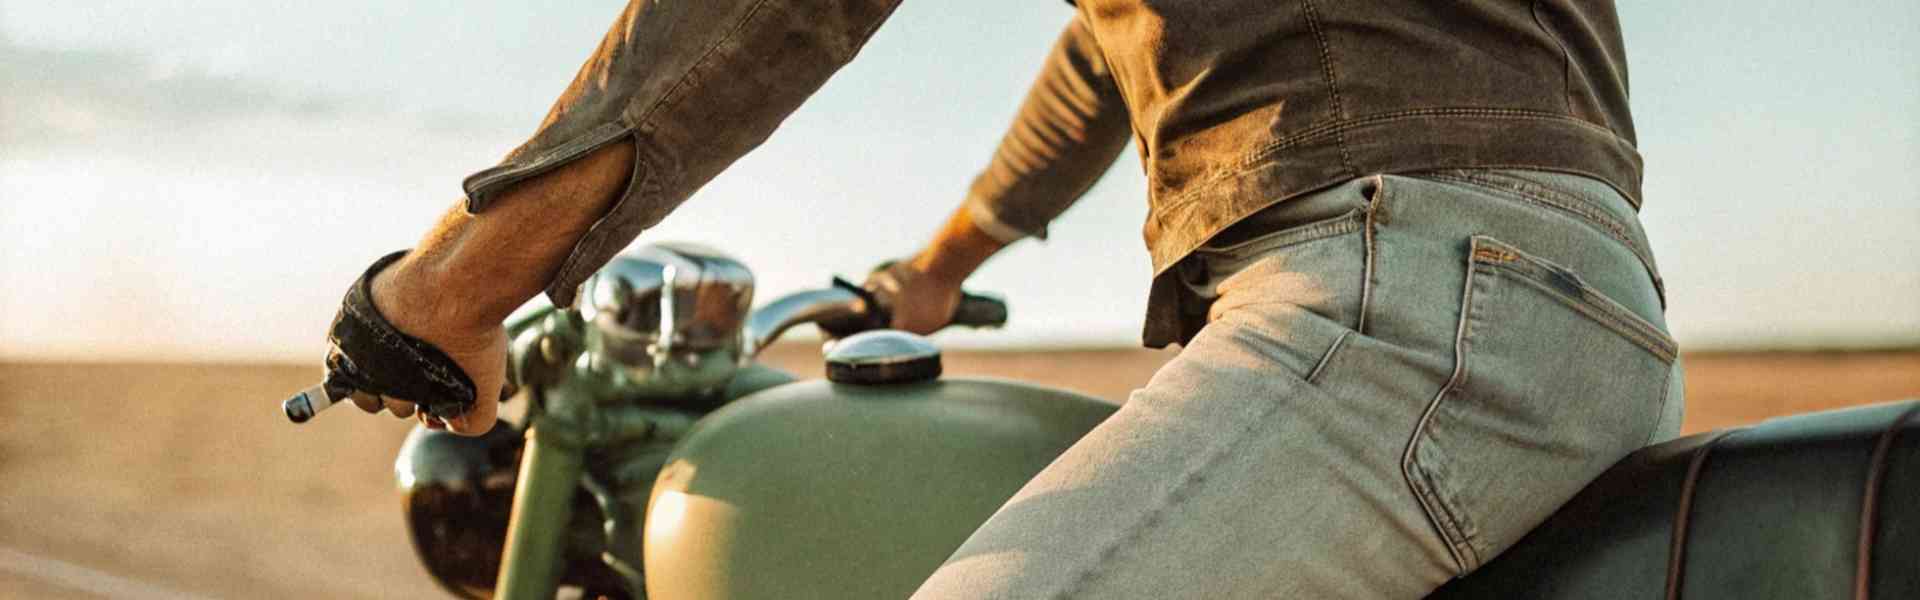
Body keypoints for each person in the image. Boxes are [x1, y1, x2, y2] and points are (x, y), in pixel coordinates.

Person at [321, 1, 1684, 597]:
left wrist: (458, 280)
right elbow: (1111, 52)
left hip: (1410, 302)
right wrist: (942, 267)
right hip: (1525, 295)